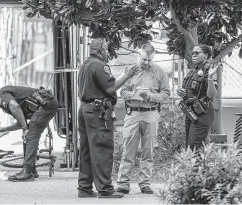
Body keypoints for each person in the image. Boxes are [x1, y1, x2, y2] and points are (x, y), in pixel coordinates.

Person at [77, 38, 136, 198]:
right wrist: (127, 75)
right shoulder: (99, 65)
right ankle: (105, 188)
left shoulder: (85, 64)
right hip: (97, 112)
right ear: (101, 50)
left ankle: (84, 187)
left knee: (87, 150)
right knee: (102, 148)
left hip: (84, 109)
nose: (108, 52)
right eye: (106, 49)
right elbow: (111, 87)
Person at [116, 43, 170, 194]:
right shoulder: (131, 71)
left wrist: (151, 96)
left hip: (152, 114)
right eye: (144, 59)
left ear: (153, 58)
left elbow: (166, 94)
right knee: (128, 149)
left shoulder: (160, 73)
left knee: (149, 150)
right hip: (133, 113)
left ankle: (145, 182)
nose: (146, 63)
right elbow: (123, 91)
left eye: (149, 60)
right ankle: (123, 182)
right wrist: (132, 95)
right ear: (139, 55)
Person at [0, 85, 59, 181]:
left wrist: (25, 129)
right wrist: (1, 129)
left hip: (46, 104)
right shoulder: (6, 104)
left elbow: (15, 106)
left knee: (30, 135)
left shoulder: (1, 94)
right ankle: (31, 170)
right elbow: (21, 122)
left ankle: (27, 172)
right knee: (27, 135)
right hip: (47, 104)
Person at [177, 44, 220, 151]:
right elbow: (189, 91)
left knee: (194, 146)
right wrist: (181, 92)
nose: (193, 55)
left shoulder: (211, 70)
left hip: (203, 113)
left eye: (197, 53)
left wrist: (210, 77)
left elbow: (212, 96)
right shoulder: (193, 70)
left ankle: (198, 168)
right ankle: (193, 167)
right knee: (189, 145)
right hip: (191, 112)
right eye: (193, 53)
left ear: (205, 55)